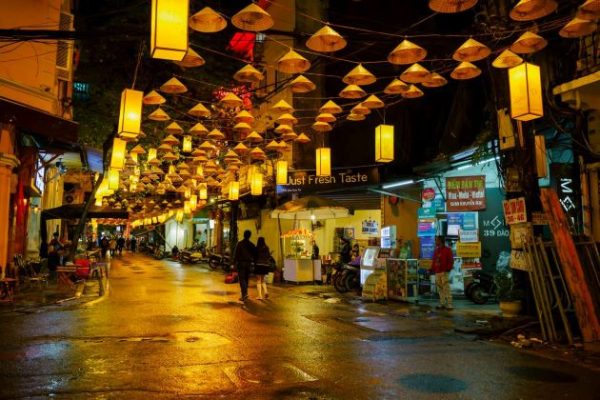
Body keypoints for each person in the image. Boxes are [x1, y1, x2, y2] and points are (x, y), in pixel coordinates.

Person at [233, 230, 257, 302]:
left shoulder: (240, 243)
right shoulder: (252, 244)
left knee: (242, 279)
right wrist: (253, 262)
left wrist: (233, 263)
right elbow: (255, 254)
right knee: (246, 279)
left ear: (244, 235)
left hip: (241, 263)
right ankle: (245, 294)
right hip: (248, 264)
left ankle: (244, 294)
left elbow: (236, 254)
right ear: (250, 236)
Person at [431, 236, 454, 310]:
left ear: (440, 241)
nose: (435, 242)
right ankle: (442, 303)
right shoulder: (436, 250)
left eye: (436, 240)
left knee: (446, 288)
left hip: (444, 271)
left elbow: (450, 260)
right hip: (437, 271)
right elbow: (434, 261)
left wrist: (448, 269)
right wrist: (432, 269)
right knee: (440, 288)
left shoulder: (448, 250)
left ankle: (449, 303)